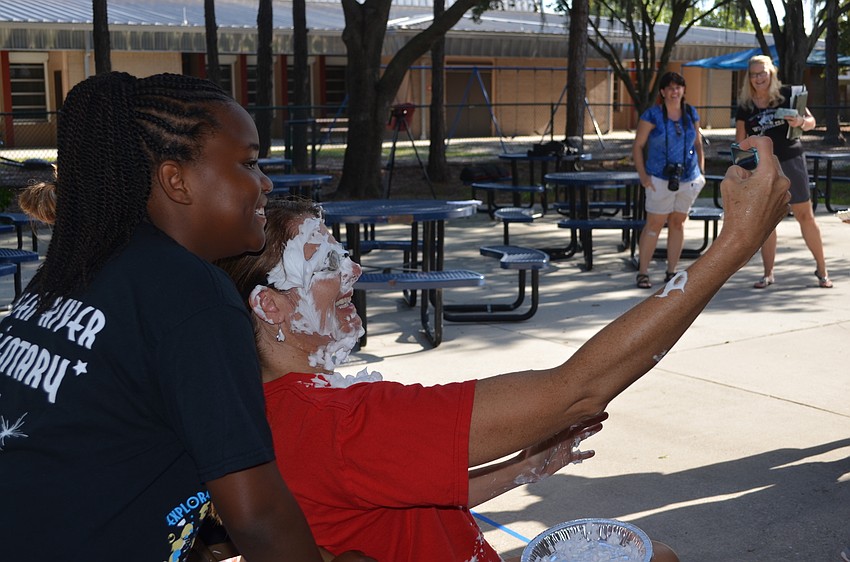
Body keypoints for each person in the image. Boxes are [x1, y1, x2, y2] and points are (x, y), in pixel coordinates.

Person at [217, 132, 789, 561]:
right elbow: (577, 390)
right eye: (326, 261)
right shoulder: (340, 421)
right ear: (270, 306)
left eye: (345, 255)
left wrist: (522, 466)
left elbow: (393, 492)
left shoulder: (267, 407)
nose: (355, 270)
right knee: (658, 557)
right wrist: (736, 243)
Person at [0, 72, 370, 562]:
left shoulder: (80, 270)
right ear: (176, 180)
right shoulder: (191, 294)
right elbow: (258, 518)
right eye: (249, 162)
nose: (266, 182)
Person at [735, 54, 832, 289]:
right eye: (754, 74)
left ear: (771, 73)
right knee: (768, 221)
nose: (759, 78)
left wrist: (800, 121)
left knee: (805, 215)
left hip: (791, 160)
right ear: (749, 77)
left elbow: (811, 121)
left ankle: (822, 269)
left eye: (763, 73)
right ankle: (768, 274)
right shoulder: (745, 106)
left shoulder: (789, 95)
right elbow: (740, 143)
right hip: (763, 167)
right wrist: (743, 171)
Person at [633, 71, 706, 289]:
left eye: (679, 87)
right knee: (654, 224)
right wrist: (644, 176)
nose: (675, 92)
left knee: (677, 223)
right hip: (659, 177)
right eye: (670, 88)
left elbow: (698, 142)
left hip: (687, 177)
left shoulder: (690, 113)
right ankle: (643, 272)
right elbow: (638, 146)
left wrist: (701, 170)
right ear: (663, 92)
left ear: (683, 90)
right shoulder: (652, 115)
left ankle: (671, 271)